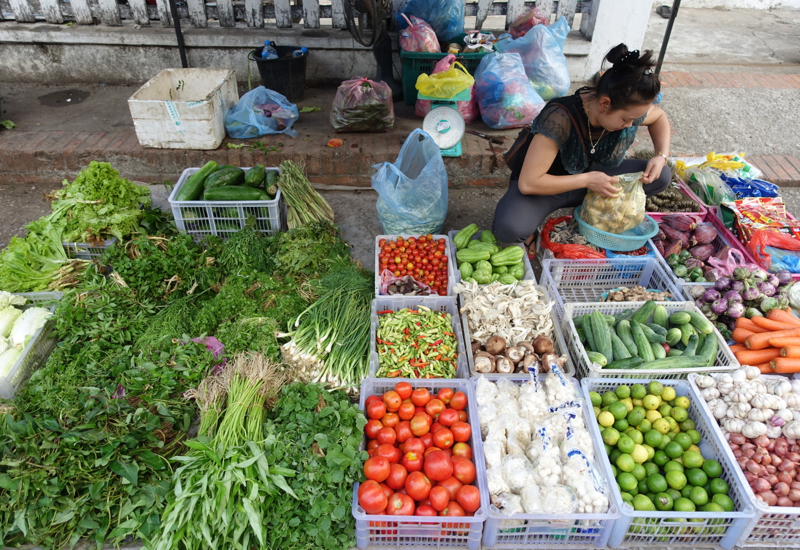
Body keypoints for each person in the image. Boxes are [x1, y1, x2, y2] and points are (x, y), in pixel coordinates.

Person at [491, 44, 672, 249]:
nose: (630, 125)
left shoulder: (626, 109)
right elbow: (529, 183)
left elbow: (659, 118)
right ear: (604, 104)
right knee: (509, 228)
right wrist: (587, 180)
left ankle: (597, 214)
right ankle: (536, 227)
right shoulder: (560, 117)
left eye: (635, 119)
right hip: (546, 186)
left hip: (593, 176)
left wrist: (661, 155)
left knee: (662, 174)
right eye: (626, 119)